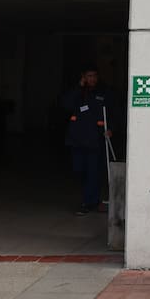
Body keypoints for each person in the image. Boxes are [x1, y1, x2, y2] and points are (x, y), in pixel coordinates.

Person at [61, 67, 113, 215]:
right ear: (83, 76)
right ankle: (89, 199)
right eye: (89, 76)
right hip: (77, 139)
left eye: (95, 76)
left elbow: (113, 111)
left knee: (93, 172)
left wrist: (111, 128)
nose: (93, 79)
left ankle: (89, 202)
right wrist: (79, 87)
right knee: (79, 170)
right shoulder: (78, 92)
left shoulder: (103, 92)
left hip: (95, 139)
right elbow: (66, 104)